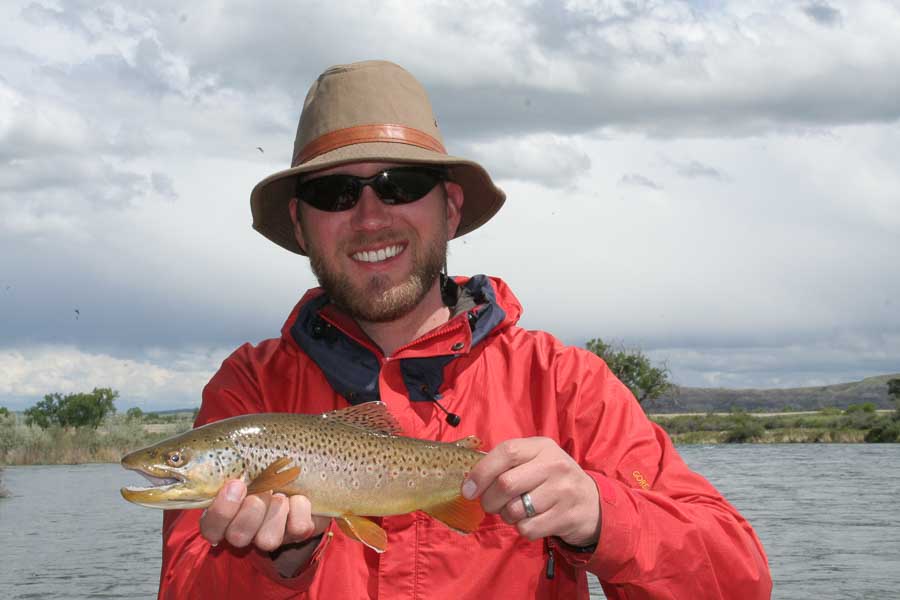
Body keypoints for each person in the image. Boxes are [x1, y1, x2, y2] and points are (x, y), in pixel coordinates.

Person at [159, 60, 771, 599]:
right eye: (335, 192)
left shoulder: (565, 385)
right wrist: (274, 563)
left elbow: (740, 583)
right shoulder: (247, 390)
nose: (370, 218)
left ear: (450, 208)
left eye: (401, 186)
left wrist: (602, 517)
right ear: (300, 224)